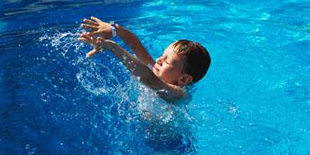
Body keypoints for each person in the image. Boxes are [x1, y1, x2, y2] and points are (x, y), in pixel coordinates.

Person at [78, 16, 211, 102]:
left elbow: (148, 79)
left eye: (167, 61)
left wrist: (115, 48)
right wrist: (116, 30)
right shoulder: (157, 69)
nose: (159, 60)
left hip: (169, 143)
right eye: (162, 55)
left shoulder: (180, 95)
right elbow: (136, 46)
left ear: (183, 79)